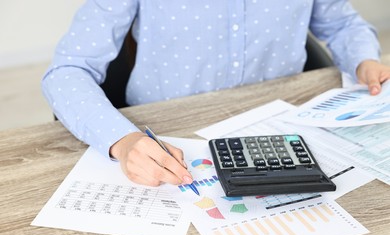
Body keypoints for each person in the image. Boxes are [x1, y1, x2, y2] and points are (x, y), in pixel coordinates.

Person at [42, 1, 390, 187]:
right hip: (168, 141)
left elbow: (344, 24)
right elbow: (67, 71)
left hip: (280, 134)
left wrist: (364, 59)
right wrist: (121, 140)